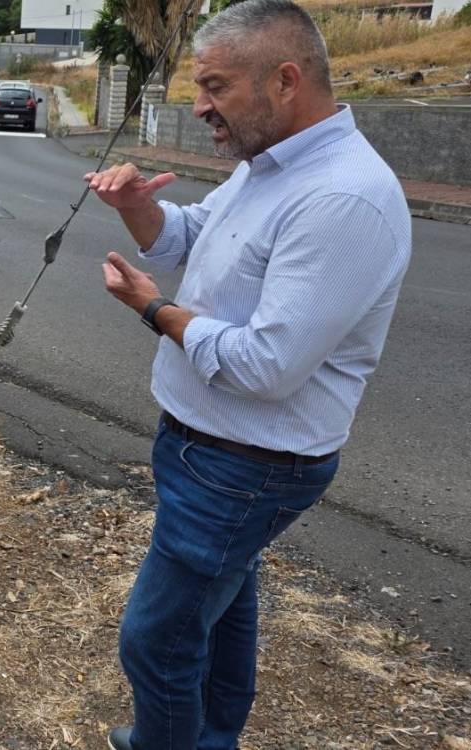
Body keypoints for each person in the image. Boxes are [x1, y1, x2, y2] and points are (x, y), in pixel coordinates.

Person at [84, 1, 411, 748]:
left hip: (246, 466)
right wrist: (141, 209)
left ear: (286, 81)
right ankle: (210, 740)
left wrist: (152, 309)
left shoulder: (339, 197)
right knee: (218, 612)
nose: (198, 106)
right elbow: (194, 233)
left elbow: (266, 366)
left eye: (214, 87)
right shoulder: (271, 165)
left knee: (154, 639)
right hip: (212, 450)